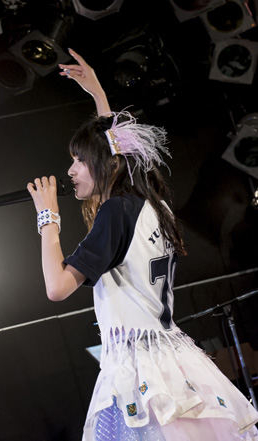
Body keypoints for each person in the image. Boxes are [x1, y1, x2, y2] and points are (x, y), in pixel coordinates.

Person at [27, 48, 258, 440]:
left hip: (140, 368)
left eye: (79, 160)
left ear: (105, 164)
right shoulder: (153, 205)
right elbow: (122, 152)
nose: (71, 170)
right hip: (173, 358)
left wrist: (47, 217)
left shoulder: (116, 212)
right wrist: (99, 95)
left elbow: (57, 287)